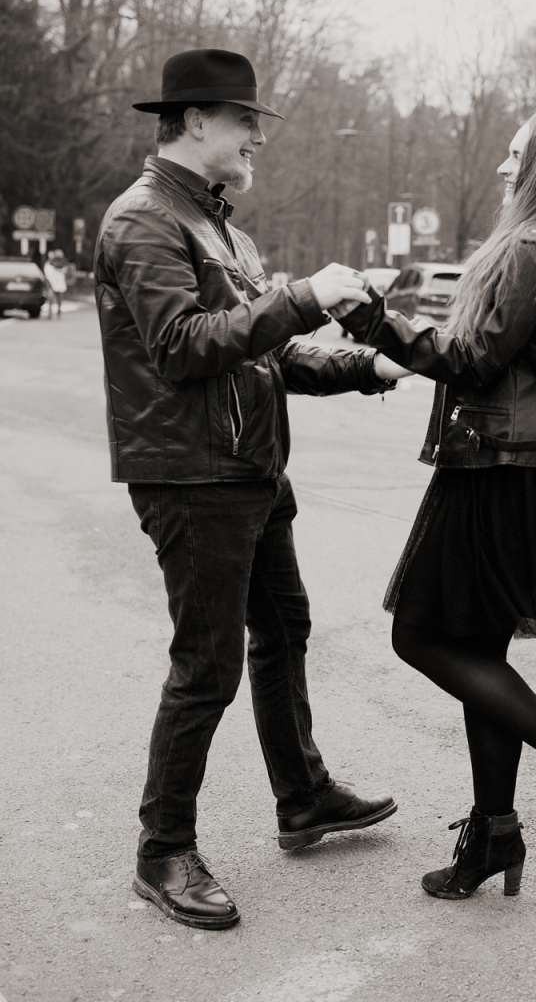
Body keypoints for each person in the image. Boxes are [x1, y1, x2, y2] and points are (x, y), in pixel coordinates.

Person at [94, 48, 405, 930]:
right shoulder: (143, 219)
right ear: (196, 122)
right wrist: (304, 296)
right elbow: (186, 345)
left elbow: (263, 350)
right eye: (245, 124)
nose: (256, 140)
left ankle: (303, 796)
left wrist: (365, 364)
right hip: (193, 475)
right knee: (207, 667)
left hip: (252, 470)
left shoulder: (225, 229)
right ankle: (162, 853)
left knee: (284, 630)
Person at [337, 112, 536, 902]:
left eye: (517, 155)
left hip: (502, 470)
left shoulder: (535, 247)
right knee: (479, 655)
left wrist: (374, 318)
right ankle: (495, 833)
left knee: (421, 635)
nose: (505, 169)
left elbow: (473, 357)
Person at [44, 249, 68, 317]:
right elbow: (65, 271)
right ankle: (58, 311)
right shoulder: (63, 262)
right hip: (59, 282)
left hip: (52, 281)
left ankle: (50, 311)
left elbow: (47, 272)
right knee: (59, 297)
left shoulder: (50, 263)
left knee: (51, 295)